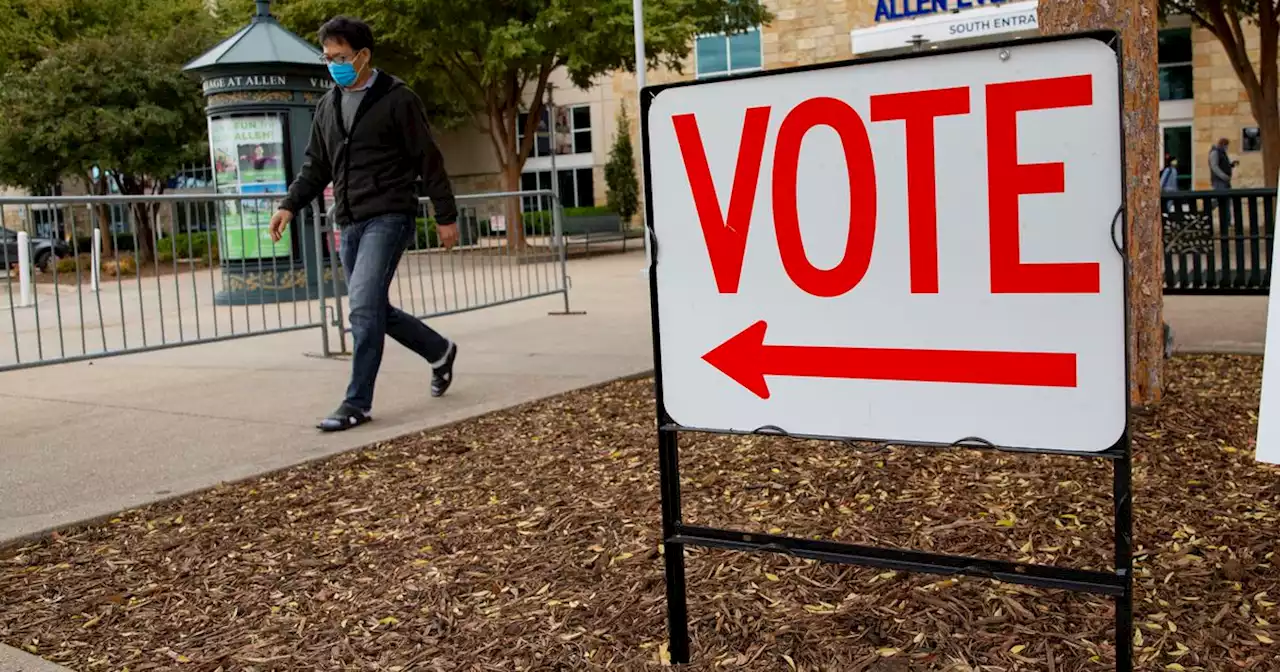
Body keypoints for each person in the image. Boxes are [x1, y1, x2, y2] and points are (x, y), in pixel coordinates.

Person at [270, 15, 460, 432]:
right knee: (372, 308)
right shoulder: (328, 106)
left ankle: (356, 402)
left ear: (363, 56)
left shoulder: (398, 99)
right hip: (350, 220)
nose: (333, 65)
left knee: (362, 309)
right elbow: (316, 166)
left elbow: (428, 159)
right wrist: (289, 205)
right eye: (327, 57)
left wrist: (446, 215)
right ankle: (439, 350)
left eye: (340, 57)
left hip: (389, 215)